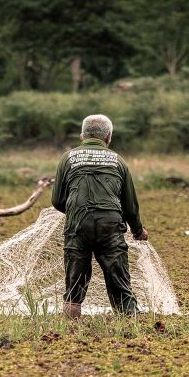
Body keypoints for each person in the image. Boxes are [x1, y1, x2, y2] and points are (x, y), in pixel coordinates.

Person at [51, 114, 147, 318]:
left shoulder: (68, 158)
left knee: (75, 281)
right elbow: (130, 206)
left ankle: (69, 326)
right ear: (108, 137)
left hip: (78, 225)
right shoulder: (118, 160)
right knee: (119, 278)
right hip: (110, 226)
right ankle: (129, 322)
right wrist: (138, 230)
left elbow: (57, 200)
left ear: (81, 136)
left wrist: (80, 213)